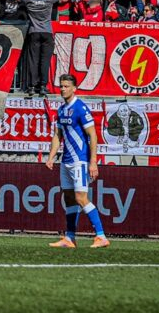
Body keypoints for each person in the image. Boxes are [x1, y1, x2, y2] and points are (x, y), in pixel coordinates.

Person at [46, 74, 109, 249]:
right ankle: (70, 238)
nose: (62, 89)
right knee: (69, 198)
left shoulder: (81, 108)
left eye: (66, 86)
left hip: (79, 161)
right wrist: (51, 156)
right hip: (65, 161)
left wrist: (93, 161)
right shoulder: (61, 110)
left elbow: (93, 135)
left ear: (74, 88)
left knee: (81, 198)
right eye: (61, 86)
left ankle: (101, 236)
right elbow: (57, 136)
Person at [0, 0, 73, 95]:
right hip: (47, 33)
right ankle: (43, 86)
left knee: (33, 60)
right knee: (45, 61)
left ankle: (32, 87)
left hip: (33, 32)